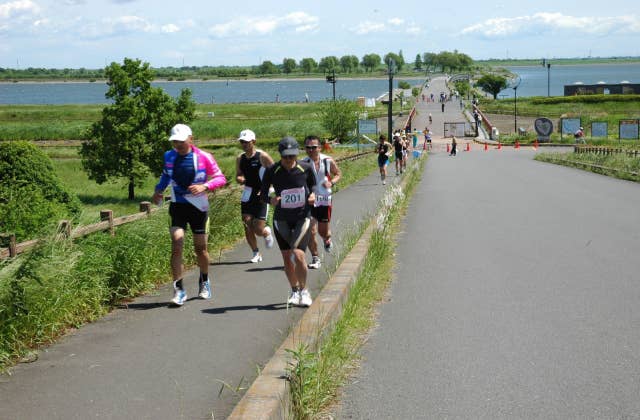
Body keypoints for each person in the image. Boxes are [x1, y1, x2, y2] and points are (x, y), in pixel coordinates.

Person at [153, 124, 227, 306]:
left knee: (200, 248)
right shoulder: (168, 156)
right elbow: (166, 175)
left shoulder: (204, 157)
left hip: (198, 208)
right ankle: (179, 290)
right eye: (175, 141)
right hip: (178, 206)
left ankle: (204, 281)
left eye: (181, 141)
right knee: (177, 243)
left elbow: (220, 178)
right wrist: (159, 190)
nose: (178, 144)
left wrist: (205, 186)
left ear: (190, 139)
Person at [260, 136, 316, 307]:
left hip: (302, 217)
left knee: (298, 254)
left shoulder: (305, 167)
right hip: (282, 219)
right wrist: (271, 201)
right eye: (286, 157)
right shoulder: (272, 170)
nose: (289, 160)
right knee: (286, 258)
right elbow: (262, 195)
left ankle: (304, 291)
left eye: (292, 156)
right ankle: (294, 290)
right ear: (280, 155)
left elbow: (313, 185)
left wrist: (313, 195)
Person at [301, 135, 342, 270]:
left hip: (324, 200)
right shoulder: (302, 163)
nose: (311, 150)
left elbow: (338, 174)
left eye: (313, 147)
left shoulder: (327, 160)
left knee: (323, 232)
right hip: (310, 201)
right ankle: (315, 257)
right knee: (310, 230)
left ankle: (327, 239)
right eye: (308, 147)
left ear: (319, 147)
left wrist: (331, 183)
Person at [235, 129, 275, 263]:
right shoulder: (240, 158)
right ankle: (256, 252)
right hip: (248, 193)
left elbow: (275, 173)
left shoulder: (262, 156)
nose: (244, 144)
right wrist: (240, 178)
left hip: (262, 193)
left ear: (254, 142)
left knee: (258, 229)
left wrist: (267, 188)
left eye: (247, 142)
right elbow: (238, 174)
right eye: (242, 142)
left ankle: (266, 232)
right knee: (246, 223)